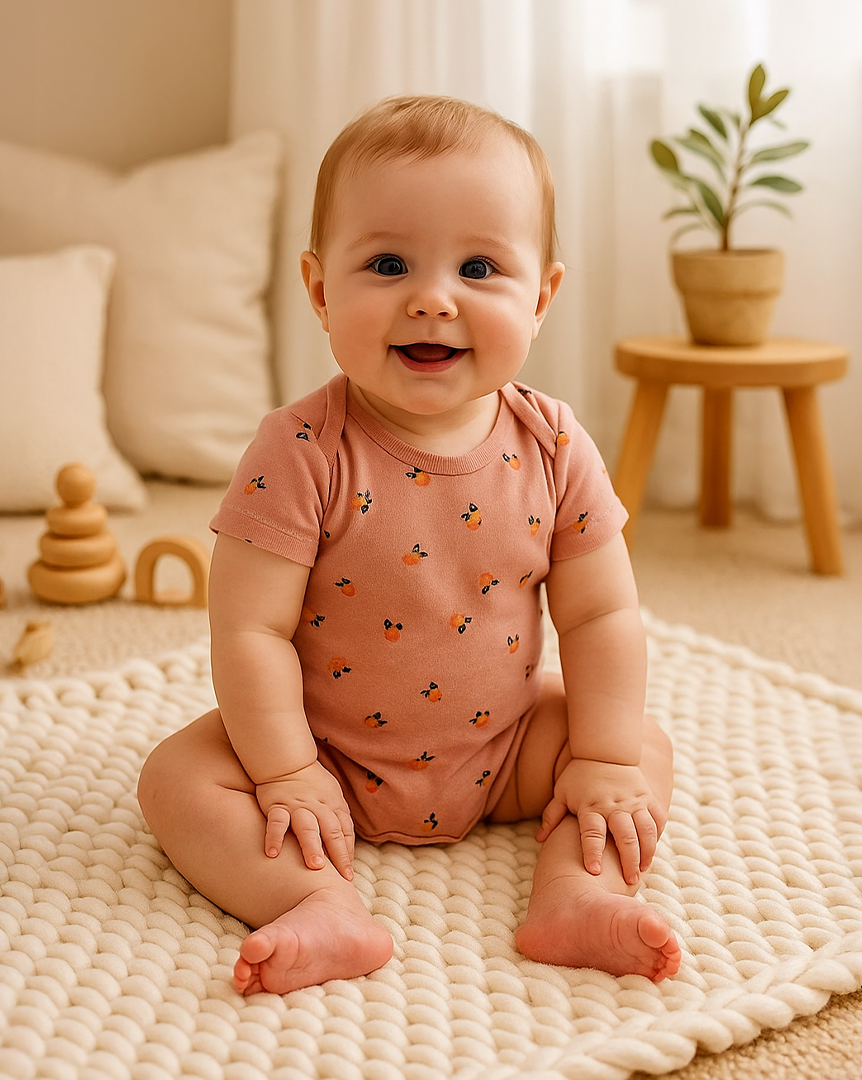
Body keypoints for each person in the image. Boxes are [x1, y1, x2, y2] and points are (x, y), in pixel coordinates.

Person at [138, 95, 680, 996]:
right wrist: (286, 770)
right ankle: (313, 900)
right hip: (327, 754)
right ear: (320, 291)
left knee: (637, 747)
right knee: (178, 781)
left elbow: (602, 614)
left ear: (540, 296)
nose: (433, 299)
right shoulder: (300, 450)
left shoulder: (552, 446)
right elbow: (250, 632)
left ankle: (577, 893)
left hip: (505, 751)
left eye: (478, 266)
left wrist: (605, 759)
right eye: (388, 264)